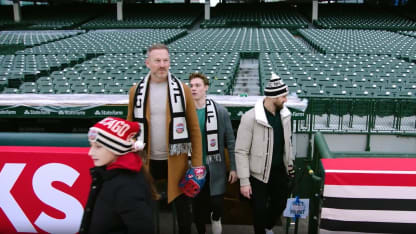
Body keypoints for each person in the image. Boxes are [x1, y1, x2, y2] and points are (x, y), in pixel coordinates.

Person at [127, 43, 203, 234]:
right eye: (157, 60)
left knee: (184, 214)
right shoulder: (135, 91)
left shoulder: (183, 90)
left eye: (166, 60)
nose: (162, 64)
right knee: (143, 211)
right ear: (147, 63)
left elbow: (194, 129)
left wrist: (197, 163)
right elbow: (129, 128)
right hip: (146, 159)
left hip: (176, 160)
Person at [235, 73, 295, 234]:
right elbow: (241, 151)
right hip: (258, 174)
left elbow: (287, 143)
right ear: (273, 97)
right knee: (258, 211)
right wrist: (244, 182)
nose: (286, 100)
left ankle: (268, 227)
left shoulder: (286, 115)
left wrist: (290, 164)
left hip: (279, 171)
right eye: (283, 96)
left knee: (280, 204)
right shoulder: (250, 117)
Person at [79, 117, 154, 234]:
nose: (90, 152)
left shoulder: (127, 186)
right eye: (91, 145)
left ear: (117, 148)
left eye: (98, 147)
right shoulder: (106, 174)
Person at [189, 72, 237, 234]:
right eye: (191, 86)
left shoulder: (220, 111)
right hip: (194, 167)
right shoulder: (185, 112)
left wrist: (234, 168)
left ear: (206, 88)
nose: (194, 89)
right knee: (197, 206)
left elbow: (230, 141)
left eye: (197, 86)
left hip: (215, 167)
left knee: (217, 203)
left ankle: (216, 218)